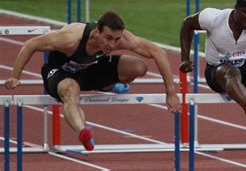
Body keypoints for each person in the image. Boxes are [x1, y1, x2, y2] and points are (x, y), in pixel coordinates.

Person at [5, 11, 181, 151]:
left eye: (117, 39)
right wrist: (15, 75)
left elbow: (159, 52)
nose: (112, 45)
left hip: (88, 69)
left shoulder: (120, 39)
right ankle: (83, 132)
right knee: (71, 90)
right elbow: (31, 44)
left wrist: (171, 92)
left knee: (138, 67)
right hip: (59, 72)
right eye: (108, 38)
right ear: (97, 31)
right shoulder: (70, 39)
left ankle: (106, 85)